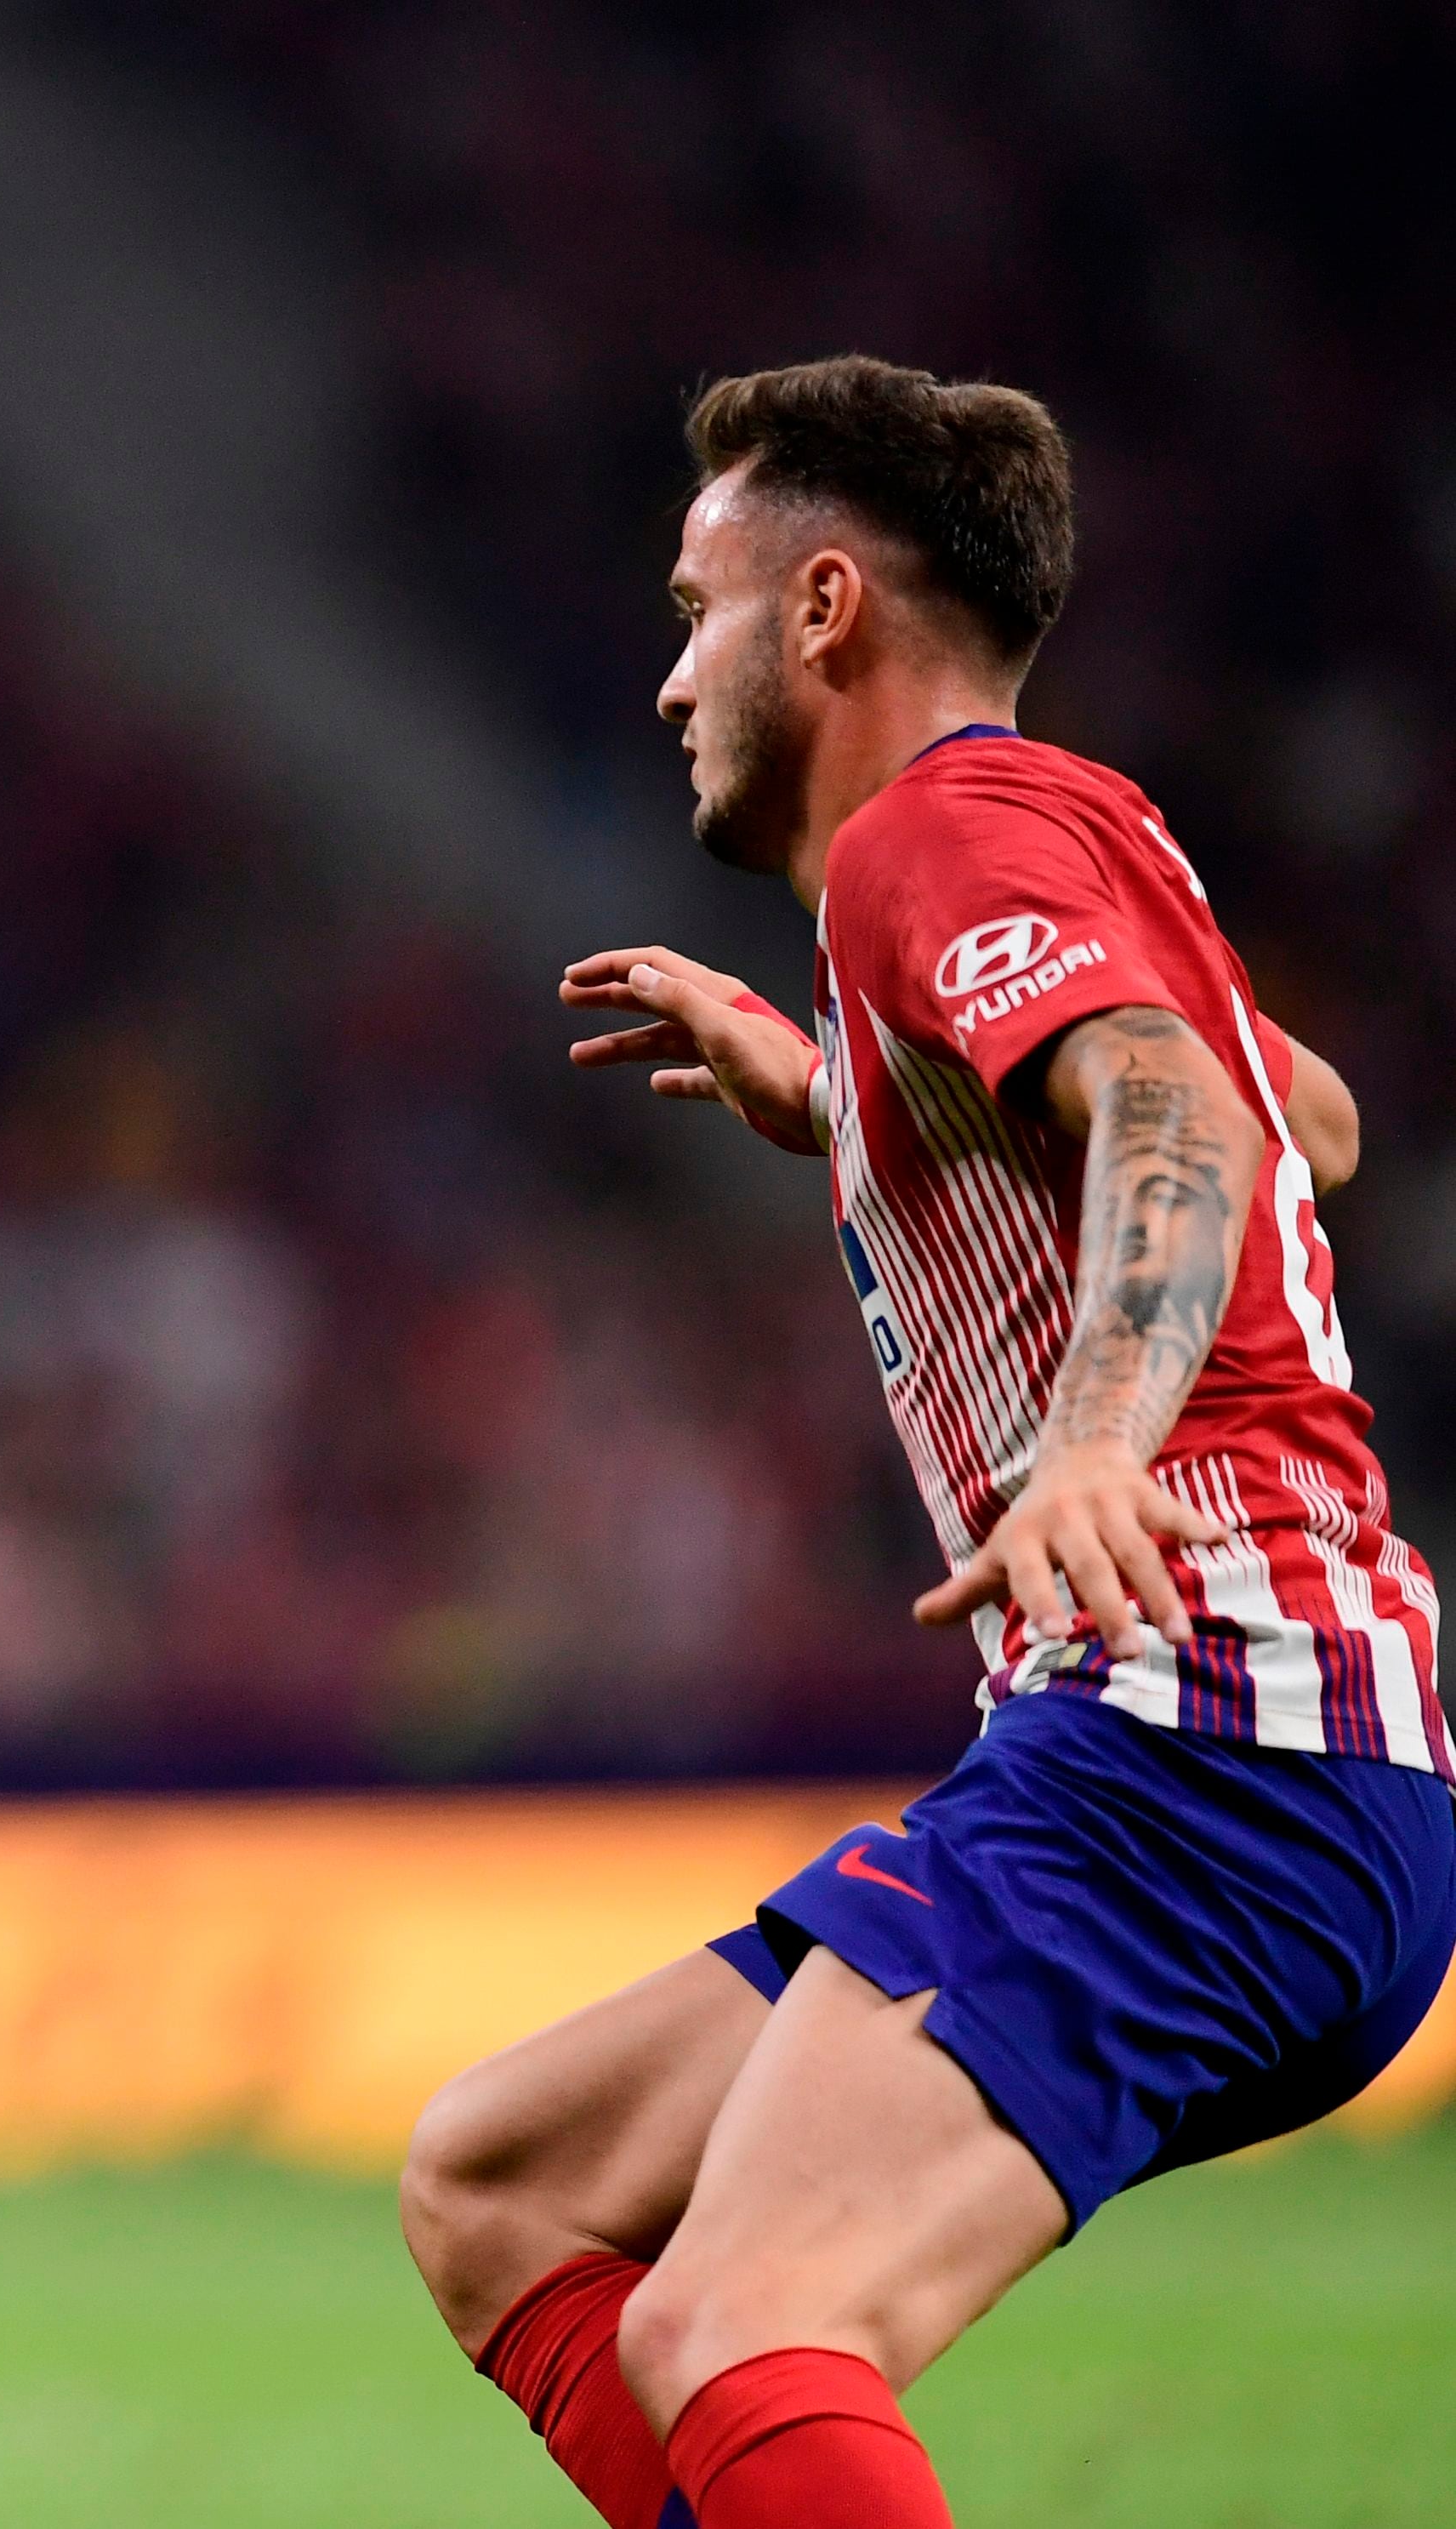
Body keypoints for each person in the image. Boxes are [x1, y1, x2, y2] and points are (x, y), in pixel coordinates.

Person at [397, 355, 1447, 2527]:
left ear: (823, 610)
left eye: (695, 602)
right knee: (500, 2182)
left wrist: (1092, 1435)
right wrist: (863, 1098)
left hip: (1211, 1733)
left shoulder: (929, 838)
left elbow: (1178, 1108)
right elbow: (1303, 1116)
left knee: (740, 2324)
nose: (667, 668)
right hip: (1228, 1745)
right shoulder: (1043, 835)